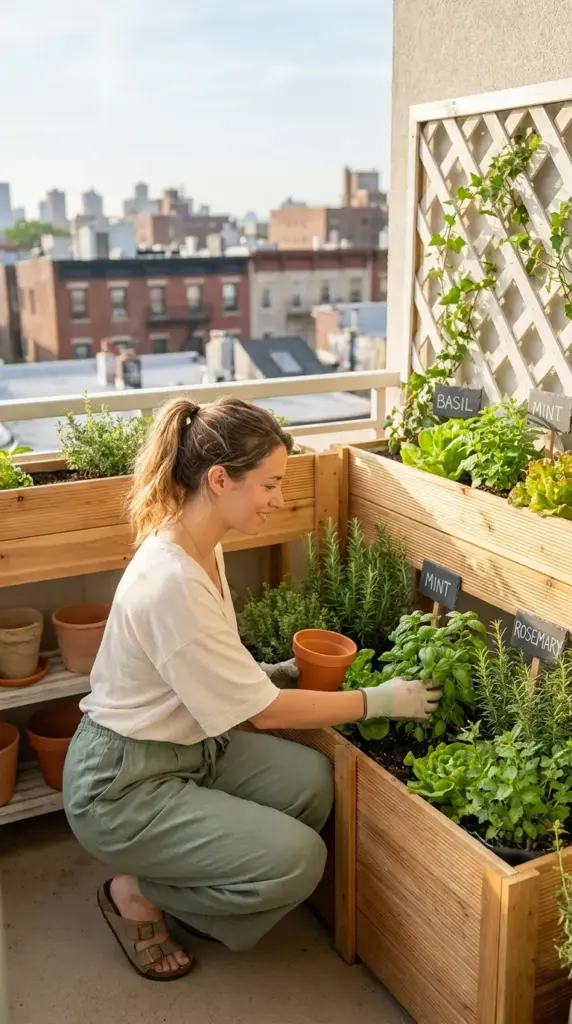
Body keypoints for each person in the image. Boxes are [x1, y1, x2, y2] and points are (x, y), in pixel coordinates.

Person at [63, 396, 441, 982]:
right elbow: (263, 717)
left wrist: (271, 672)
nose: (278, 498)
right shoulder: (169, 581)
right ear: (219, 479)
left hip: (191, 744)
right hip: (124, 783)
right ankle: (137, 892)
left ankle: (208, 869)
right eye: (268, 484)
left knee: (313, 783)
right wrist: (382, 699)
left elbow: (207, 674)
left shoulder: (203, 544)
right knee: (300, 860)